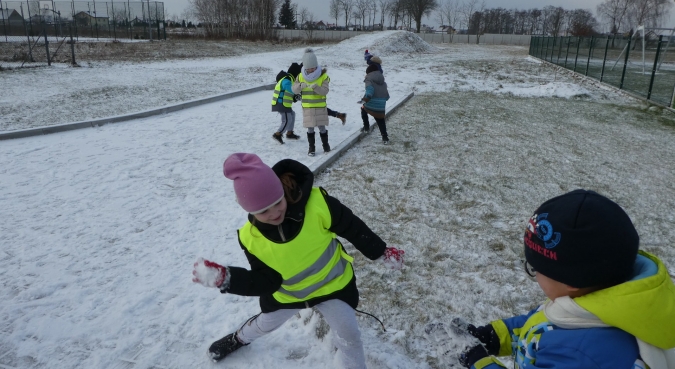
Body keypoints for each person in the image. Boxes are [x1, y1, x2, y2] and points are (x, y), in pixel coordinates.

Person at [192, 153, 405, 369]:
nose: (275, 212)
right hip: (288, 296)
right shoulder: (250, 238)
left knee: (350, 336)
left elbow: (352, 227)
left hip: (333, 288)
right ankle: (239, 338)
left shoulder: (317, 206)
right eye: (263, 210)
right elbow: (265, 280)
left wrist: (381, 251)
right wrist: (228, 279)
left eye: (278, 202)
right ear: (249, 210)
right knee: (264, 325)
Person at [456, 189, 675, 369]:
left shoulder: (583, 354)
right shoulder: (599, 301)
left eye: (535, 269)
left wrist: (480, 363)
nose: (535, 274)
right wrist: (493, 336)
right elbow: (544, 324)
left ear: (571, 282)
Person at [292, 48, 331, 156]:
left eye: (313, 68)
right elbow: (294, 89)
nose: (311, 70)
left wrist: (316, 88)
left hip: (320, 107)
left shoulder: (323, 76)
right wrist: (300, 86)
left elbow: (325, 91)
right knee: (310, 128)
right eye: (308, 69)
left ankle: (326, 146)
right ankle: (311, 148)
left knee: (322, 128)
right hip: (307, 107)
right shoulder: (300, 76)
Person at [271, 62, 303, 144]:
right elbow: (289, 88)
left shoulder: (290, 79)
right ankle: (277, 134)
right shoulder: (287, 79)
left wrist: (295, 97)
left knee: (292, 114)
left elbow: (289, 93)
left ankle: (290, 133)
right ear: (296, 73)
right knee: (287, 119)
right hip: (280, 102)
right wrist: (296, 93)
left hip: (285, 103)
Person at [360, 64, 390, 144]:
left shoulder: (368, 79)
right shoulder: (382, 81)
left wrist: (366, 98)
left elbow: (370, 89)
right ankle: (385, 138)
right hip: (381, 103)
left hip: (372, 101)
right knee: (380, 120)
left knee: (363, 109)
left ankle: (366, 127)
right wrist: (383, 100)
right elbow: (387, 95)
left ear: (369, 72)